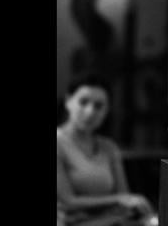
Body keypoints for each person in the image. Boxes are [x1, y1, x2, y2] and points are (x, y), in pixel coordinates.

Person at [57, 73, 156, 226]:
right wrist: (119, 200)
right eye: (83, 102)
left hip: (108, 221)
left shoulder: (109, 147)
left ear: (106, 111)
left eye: (98, 106)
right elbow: (67, 201)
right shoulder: (59, 142)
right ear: (68, 101)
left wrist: (126, 202)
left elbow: (125, 198)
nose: (90, 111)